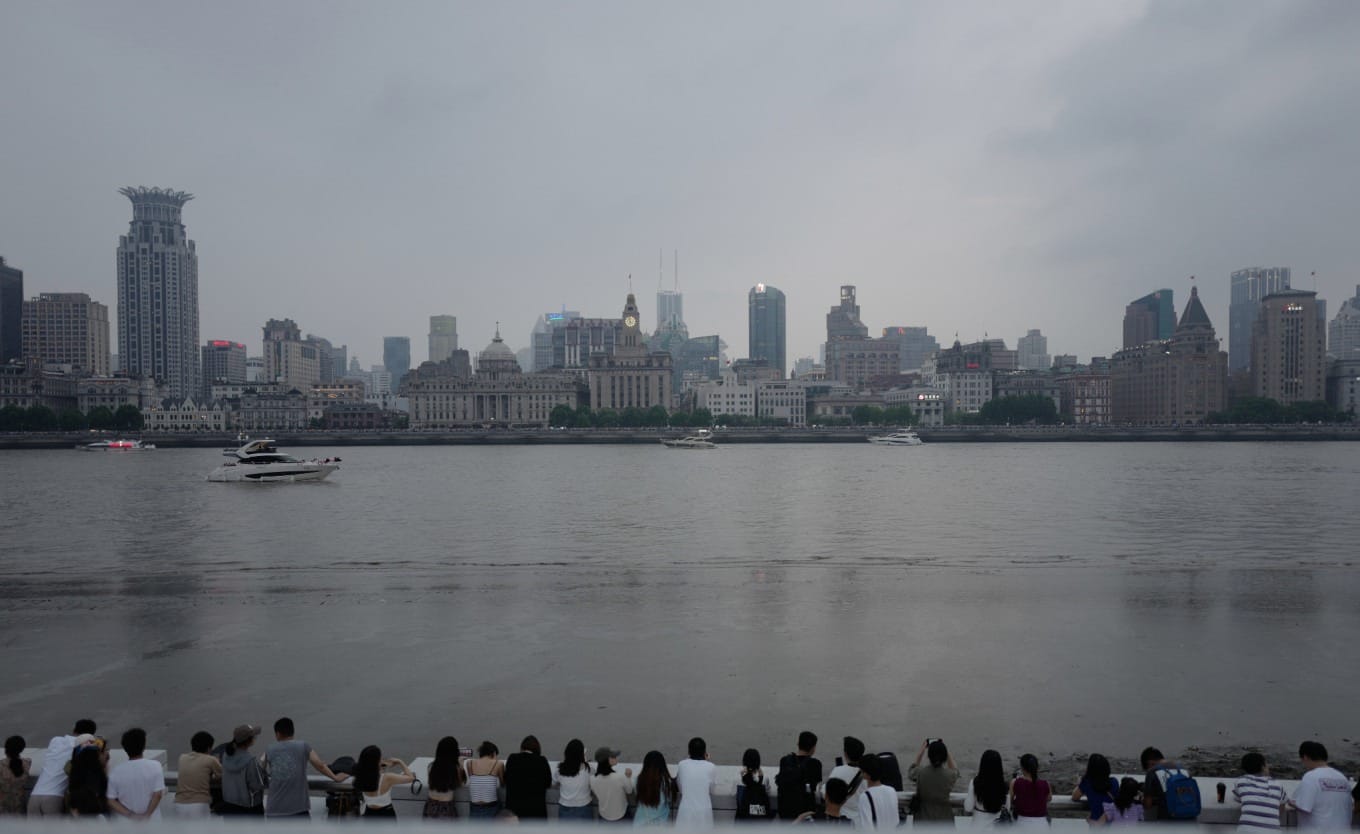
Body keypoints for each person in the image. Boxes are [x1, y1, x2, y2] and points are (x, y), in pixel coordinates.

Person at [263, 717, 347, 819]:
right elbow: (319, 764)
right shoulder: (303, 746)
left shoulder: (269, 749)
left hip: (274, 808)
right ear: (292, 732)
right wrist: (335, 778)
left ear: (277, 734)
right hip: (298, 808)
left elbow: (261, 768)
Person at [27, 718, 96, 817]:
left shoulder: (55, 741)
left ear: (74, 730)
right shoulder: (82, 747)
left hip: (34, 796)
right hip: (54, 798)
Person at [1288, 741, 1353, 830]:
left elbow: (1304, 807)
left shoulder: (1310, 776)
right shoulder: (1342, 778)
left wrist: (1290, 802)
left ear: (1305, 757)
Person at [107, 727, 166, 821]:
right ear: (143, 746)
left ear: (125, 748)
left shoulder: (116, 771)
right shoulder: (155, 766)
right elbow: (158, 794)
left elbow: (111, 800)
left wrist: (131, 815)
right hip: (152, 823)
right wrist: (147, 815)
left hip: (127, 824)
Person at [352, 744, 415, 819]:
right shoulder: (388, 778)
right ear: (378, 761)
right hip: (386, 813)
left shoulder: (359, 776)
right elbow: (411, 778)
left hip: (369, 814)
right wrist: (399, 762)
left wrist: (380, 766)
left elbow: (370, 771)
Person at [218, 724, 266, 816]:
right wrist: (263, 770)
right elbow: (257, 785)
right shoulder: (250, 761)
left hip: (229, 805)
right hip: (249, 808)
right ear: (249, 741)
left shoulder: (225, 756)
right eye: (254, 737)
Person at [1140, 747, 1196, 824]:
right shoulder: (1184, 769)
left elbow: (1148, 805)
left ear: (1150, 763)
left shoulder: (1152, 772)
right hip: (1191, 818)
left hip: (1168, 823)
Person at [909, 738, 959, 824]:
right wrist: (946, 751)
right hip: (944, 820)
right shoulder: (949, 775)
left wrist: (922, 751)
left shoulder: (920, 773)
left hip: (922, 819)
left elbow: (911, 771)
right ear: (944, 756)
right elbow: (955, 770)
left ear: (929, 756)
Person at [174, 730, 222, 818]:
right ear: (208, 748)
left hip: (179, 803)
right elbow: (222, 776)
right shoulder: (211, 759)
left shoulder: (182, 758)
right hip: (199, 804)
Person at [778, 731, 824, 820]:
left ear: (798, 744)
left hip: (785, 811)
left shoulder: (784, 761)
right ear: (813, 748)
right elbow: (816, 786)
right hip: (806, 812)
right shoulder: (815, 764)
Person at [1232, 752, 1283, 832]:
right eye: (1267, 764)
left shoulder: (1241, 782)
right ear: (1263, 767)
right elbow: (1282, 805)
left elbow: (1238, 798)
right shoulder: (1277, 785)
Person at [676, 737, 716, 830]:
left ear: (689, 752)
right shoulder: (711, 766)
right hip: (704, 813)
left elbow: (681, 789)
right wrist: (706, 761)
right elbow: (712, 791)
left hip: (685, 812)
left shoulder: (682, 764)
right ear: (704, 752)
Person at [504, 735, 549, 819]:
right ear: (537, 748)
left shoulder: (512, 758)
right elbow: (548, 783)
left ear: (522, 747)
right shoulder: (542, 761)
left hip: (514, 813)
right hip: (536, 812)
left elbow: (506, 779)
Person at [423, 736, 466, 820]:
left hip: (430, 805)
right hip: (446, 807)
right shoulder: (455, 768)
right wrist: (461, 764)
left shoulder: (431, 766)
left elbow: (430, 782)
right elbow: (461, 783)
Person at [66, 738, 110, 818]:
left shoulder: (75, 773)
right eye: (102, 752)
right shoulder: (97, 775)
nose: (106, 754)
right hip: (95, 814)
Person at [855, 753, 900, 830]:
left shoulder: (865, 797)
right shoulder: (891, 791)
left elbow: (867, 827)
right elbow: (896, 820)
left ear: (866, 775)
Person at [825, 737, 865, 823]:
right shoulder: (867, 775)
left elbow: (825, 792)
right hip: (861, 820)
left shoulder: (837, 770)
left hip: (842, 818)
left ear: (845, 754)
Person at [633, 750, 677, 827]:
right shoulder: (667, 782)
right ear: (662, 765)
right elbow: (669, 799)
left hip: (639, 825)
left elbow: (637, 795)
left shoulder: (638, 780)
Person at [591, 746, 634, 823]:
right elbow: (629, 790)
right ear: (608, 760)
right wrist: (628, 777)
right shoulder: (620, 777)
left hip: (603, 816)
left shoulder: (593, 779)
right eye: (613, 756)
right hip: (622, 816)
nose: (616, 758)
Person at [966, 749, 1009, 826]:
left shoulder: (975, 782)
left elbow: (968, 807)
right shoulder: (1004, 785)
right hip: (997, 826)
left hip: (978, 825)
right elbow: (1007, 807)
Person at [555, 738, 595, 821]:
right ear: (582, 755)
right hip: (584, 807)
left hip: (565, 807)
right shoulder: (589, 769)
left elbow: (554, 781)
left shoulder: (560, 770)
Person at [1072, 753, 1117, 823]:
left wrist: (1080, 784)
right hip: (1112, 823)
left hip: (1096, 824)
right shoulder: (1114, 782)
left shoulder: (1087, 783)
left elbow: (1075, 797)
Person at [467, 740, 506, 819]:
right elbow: (503, 783)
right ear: (494, 753)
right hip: (491, 808)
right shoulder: (498, 764)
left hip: (474, 808)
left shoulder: (470, 763)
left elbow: (474, 780)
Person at [1009, 753, 1051, 827]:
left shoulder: (1015, 782)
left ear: (1022, 768)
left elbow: (1011, 802)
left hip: (1022, 823)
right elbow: (1048, 799)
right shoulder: (1046, 784)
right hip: (1042, 824)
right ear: (1037, 768)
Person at [735, 748, 773, 822]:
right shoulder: (764, 778)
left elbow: (733, 793)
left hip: (744, 817)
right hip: (760, 818)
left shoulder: (737, 779)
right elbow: (768, 792)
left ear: (744, 761)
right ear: (758, 762)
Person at [0, 736, 29, 816]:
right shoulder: (27, 763)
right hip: (19, 808)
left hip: (3, 808)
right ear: (22, 749)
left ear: (6, 749)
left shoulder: (1, 765)